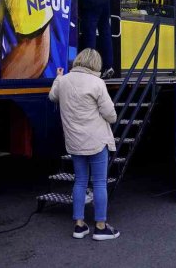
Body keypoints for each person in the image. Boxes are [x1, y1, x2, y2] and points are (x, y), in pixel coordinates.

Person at [48, 48, 120, 240]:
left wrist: (57, 77)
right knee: (99, 183)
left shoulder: (63, 82)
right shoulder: (97, 83)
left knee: (79, 182)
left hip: (74, 142)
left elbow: (52, 96)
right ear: (96, 64)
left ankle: (79, 226)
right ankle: (100, 226)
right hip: (96, 142)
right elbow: (111, 116)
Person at [77, 0, 115, 79]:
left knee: (90, 33)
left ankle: (90, 68)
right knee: (105, 33)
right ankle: (108, 66)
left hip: (91, 2)